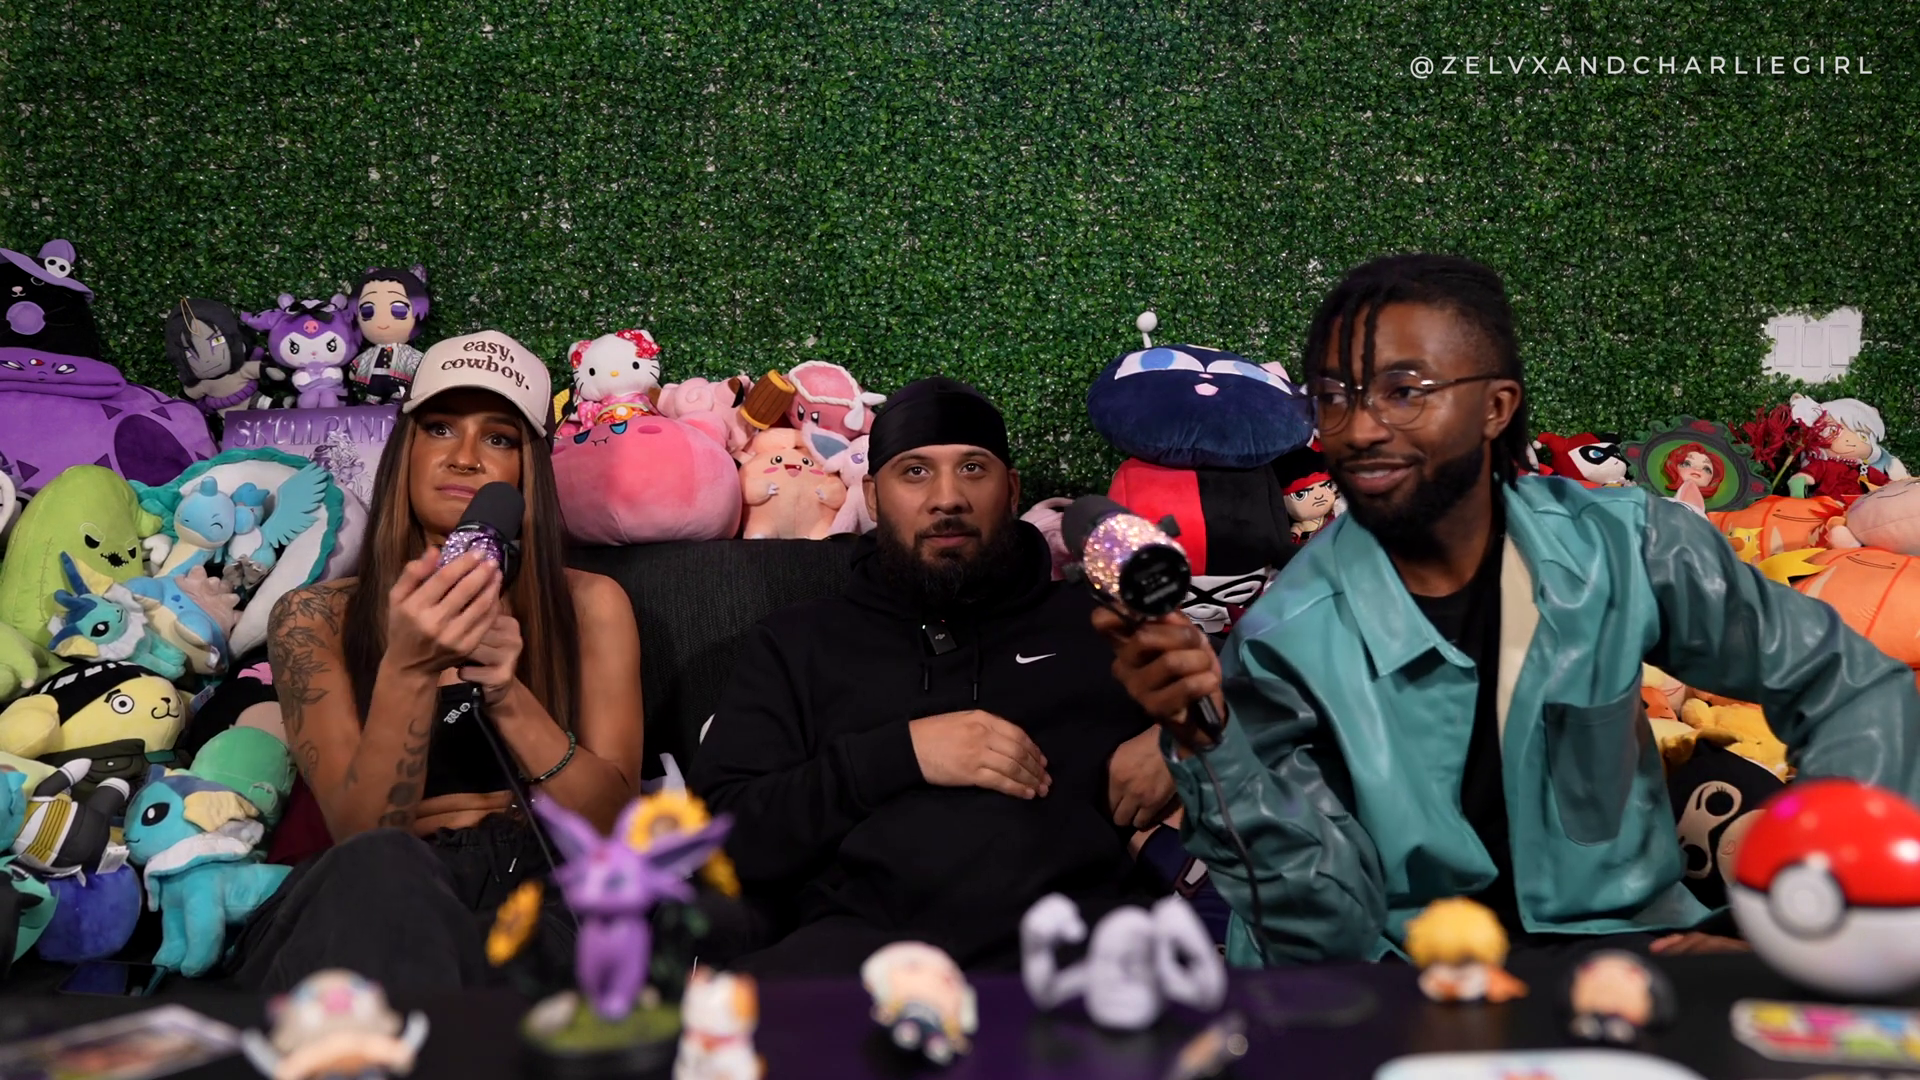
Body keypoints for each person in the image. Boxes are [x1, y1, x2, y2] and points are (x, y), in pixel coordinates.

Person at [1100, 253, 1920, 968]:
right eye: (1335, 397)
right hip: (1403, 975)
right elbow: (1318, 927)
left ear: (1495, 407)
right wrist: (1210, 749)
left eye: (1404, 392)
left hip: (1631, 955)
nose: (1361, 429)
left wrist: (1803, 916)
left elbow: (1850, 685)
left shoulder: (1625, 546)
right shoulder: (1290, 634)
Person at [691, 377, 1171, 975]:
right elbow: (716, 838)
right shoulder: (799, 642)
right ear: (872, 496)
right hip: (861, 964)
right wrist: (900, 756)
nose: (948, 498)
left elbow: (1251, 716)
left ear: (1012, 489)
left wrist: (1185, 746)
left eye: (973, 469)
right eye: (915, 472)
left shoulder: (1101, 624)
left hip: (1082, 957)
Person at [239, 329, 645, 992]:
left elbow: (614, 830)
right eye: (439, 429)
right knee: (383, 875)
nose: (464, 458)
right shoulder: (314, 617)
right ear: (405, 450)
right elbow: (364, 838)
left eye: (498, 438)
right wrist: (409, 668)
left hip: (540, 877)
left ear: (528, 471)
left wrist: (508, 695)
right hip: (384, 885)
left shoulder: (589, 604)